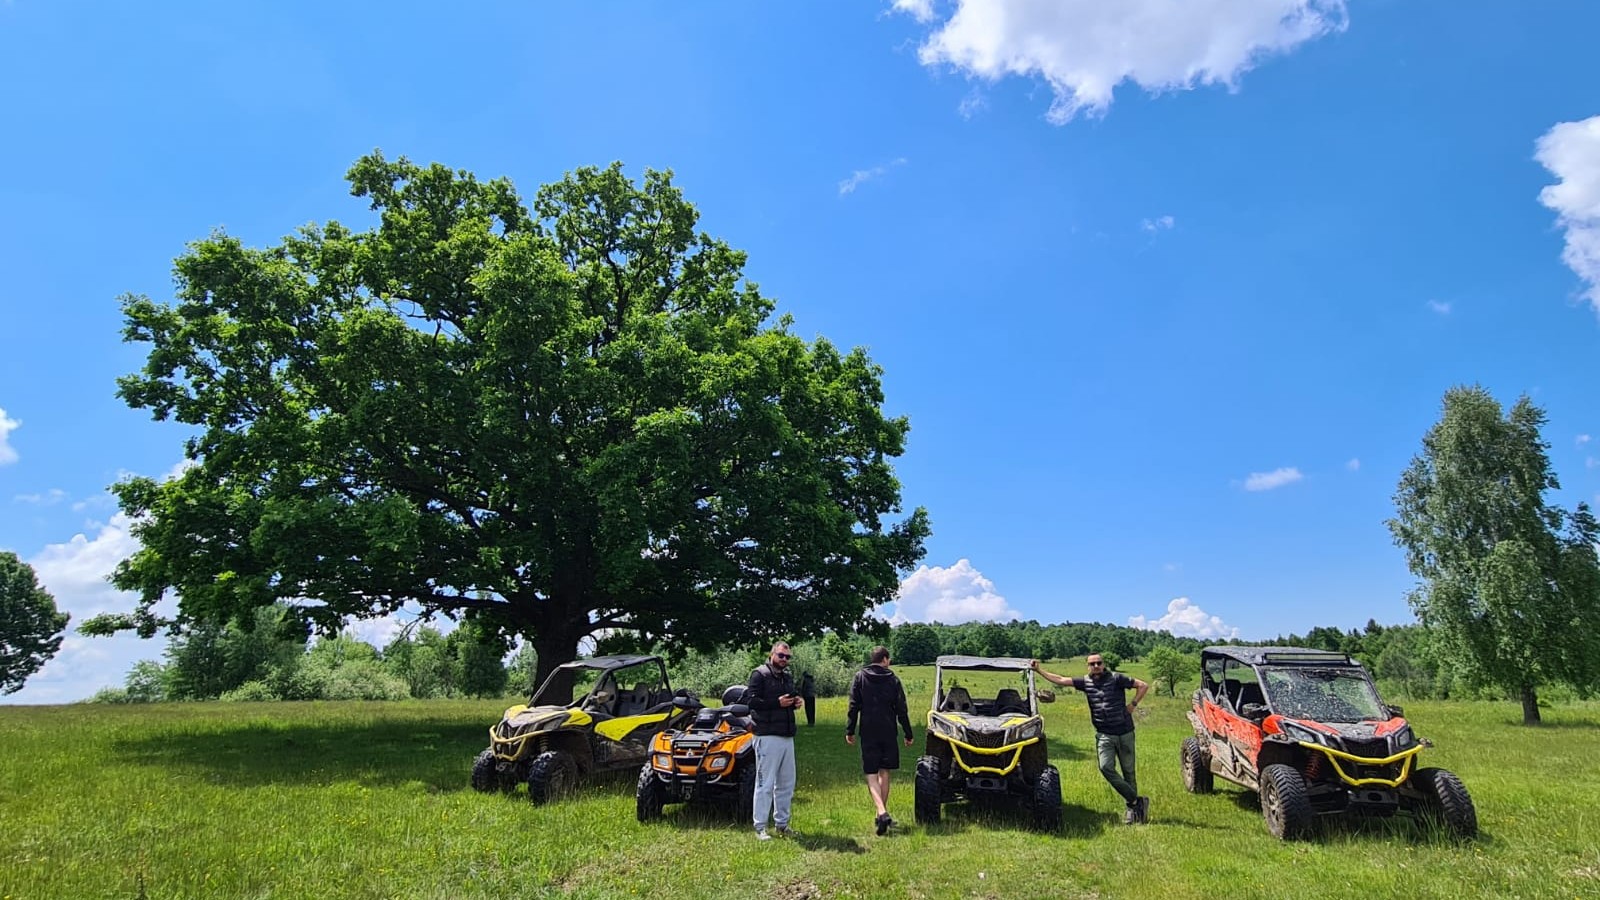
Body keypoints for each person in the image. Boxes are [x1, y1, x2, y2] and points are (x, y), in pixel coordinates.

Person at [1034, 654, 1151, 824]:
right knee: (1105, 767)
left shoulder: (1117, 678)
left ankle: (1133, 809)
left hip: (1125, 731)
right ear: (1087, 666)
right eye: (1092, 663)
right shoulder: (1085, 682)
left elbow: (1143, 685)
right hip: (1104, 733)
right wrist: (1038, 670)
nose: (1096, 666)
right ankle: (1137, 801)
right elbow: (1060, 679)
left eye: (1099, 663)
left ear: (1104, 664)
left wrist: (1132, 705)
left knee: (1129, 772)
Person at [845, 646, 915, 836]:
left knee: (870, 772)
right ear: (884, 659)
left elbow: (853, 705)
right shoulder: (893, 680)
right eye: (889, 659)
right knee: (884, 771)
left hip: (868, 729)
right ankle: (881, 813)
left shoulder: (860, 677)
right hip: (888, 730)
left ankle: (881, 812)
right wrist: (908, 733)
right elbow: (902, 709)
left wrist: (850, 729)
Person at [746, 641, 803, 840]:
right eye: (781, 656)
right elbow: (751, 702)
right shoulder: (759, 674)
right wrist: (776, 703)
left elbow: (787, 700)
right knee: (765, 784)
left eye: (788, 657)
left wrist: (796, 702)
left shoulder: (787, 677)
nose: (784, 660)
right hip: (766, 734)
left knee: (787, 783)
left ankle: (782, 824)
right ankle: (760, 826)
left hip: (786, 735)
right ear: (772, 654)